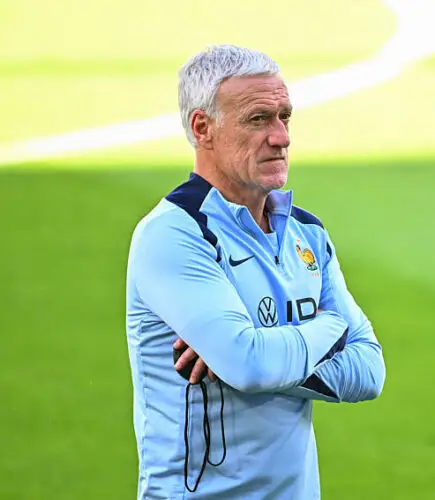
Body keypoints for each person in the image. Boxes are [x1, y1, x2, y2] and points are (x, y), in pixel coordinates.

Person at [125, 44, 386, 499]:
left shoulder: (307, 234)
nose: (281, 136)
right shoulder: (174, 235)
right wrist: (330, 326)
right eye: (258, 119)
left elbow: (368, 371)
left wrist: (256, 354)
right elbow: (249, 365)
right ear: (202, 128)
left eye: (285, 116)